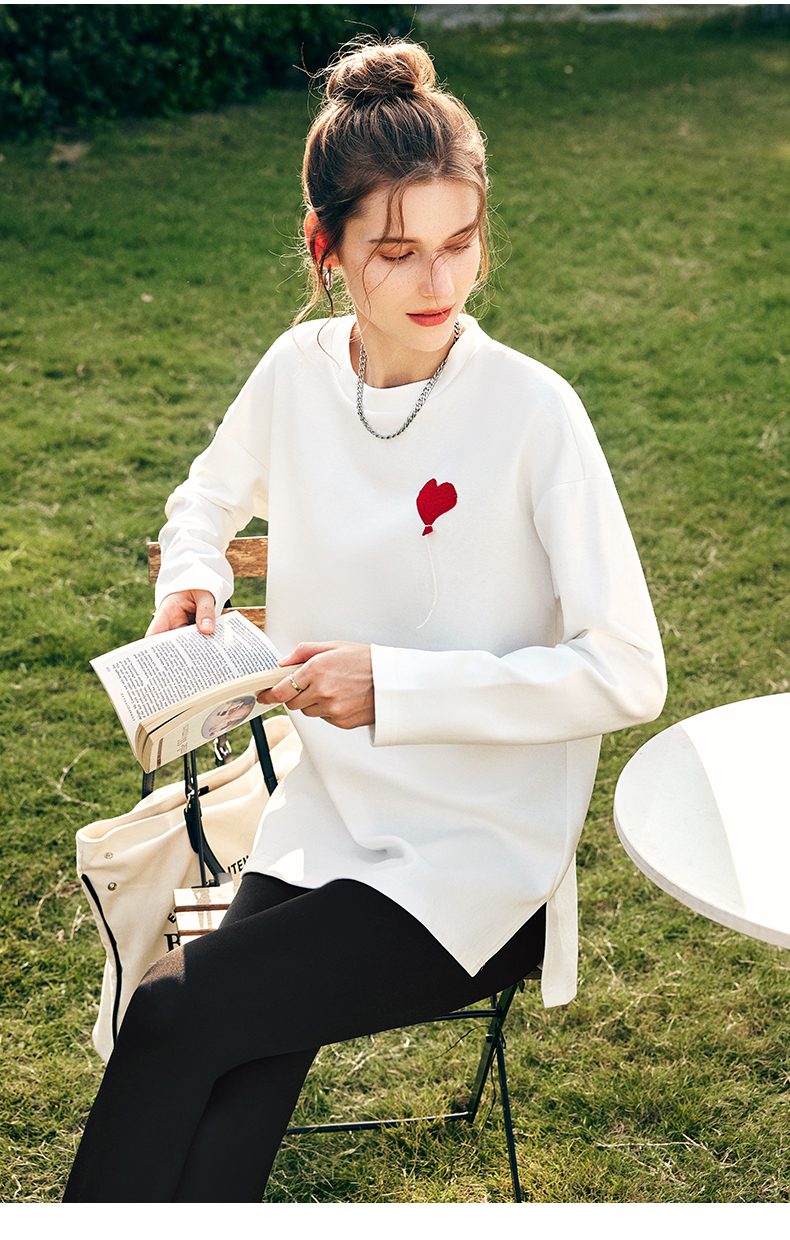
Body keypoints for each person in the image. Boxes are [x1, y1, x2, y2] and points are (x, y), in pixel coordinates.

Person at [64, 39, 666, 1203]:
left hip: (476, 863)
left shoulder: (534, 413)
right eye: (395, 251)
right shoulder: (297, 371)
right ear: (324, 247)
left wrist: (391, 686)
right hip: (326, 820)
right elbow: (206, 494)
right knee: (221, 1083)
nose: (438, 281)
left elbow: (627, 672)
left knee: (178, 1013)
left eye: (459, 241)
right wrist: (190, 571)